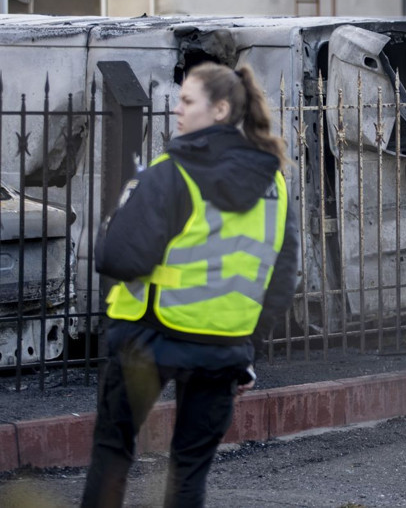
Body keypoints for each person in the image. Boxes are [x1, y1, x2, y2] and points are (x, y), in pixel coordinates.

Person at [81, 62, 299, 508]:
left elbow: (118, 257)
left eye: (186, 101)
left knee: (113, 451)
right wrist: (247, 349)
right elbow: (281, 280)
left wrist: (113, 223)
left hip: (149, 337)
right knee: (188, 473)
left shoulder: (169, 171)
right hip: (222, 349)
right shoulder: (274, 182)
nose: (176, 109)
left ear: (220, 110)